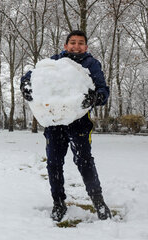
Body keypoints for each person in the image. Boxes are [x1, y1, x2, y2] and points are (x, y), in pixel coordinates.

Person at [20, 30, 111, 222]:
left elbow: (102, 89)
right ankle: (58, 202)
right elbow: (31, 76)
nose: (76, 46)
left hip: (79, 122)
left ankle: (98, 201)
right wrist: (26, 86)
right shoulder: (54, 62)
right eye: (72, 42)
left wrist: (96, 97)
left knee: (84, 160)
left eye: (80, 43)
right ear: (65, 45)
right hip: (54, 122)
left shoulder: (91, 64)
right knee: (54, 162)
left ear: (86, 47)